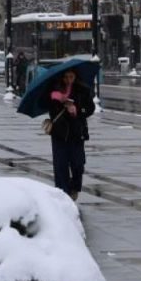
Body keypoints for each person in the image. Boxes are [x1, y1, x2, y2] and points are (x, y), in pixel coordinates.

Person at [47, 69, 94, 202]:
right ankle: (63, 195)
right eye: (66, 77)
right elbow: (48, 108)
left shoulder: (82, 89)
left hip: (77, 132)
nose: (68, 80)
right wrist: (58, 100)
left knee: (78, 164)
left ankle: (74, 187)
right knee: (60, 165)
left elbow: (90, 108)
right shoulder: (54, 89)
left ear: (75, 76)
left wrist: (76, 109)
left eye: (71, 76)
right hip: (59, 133)